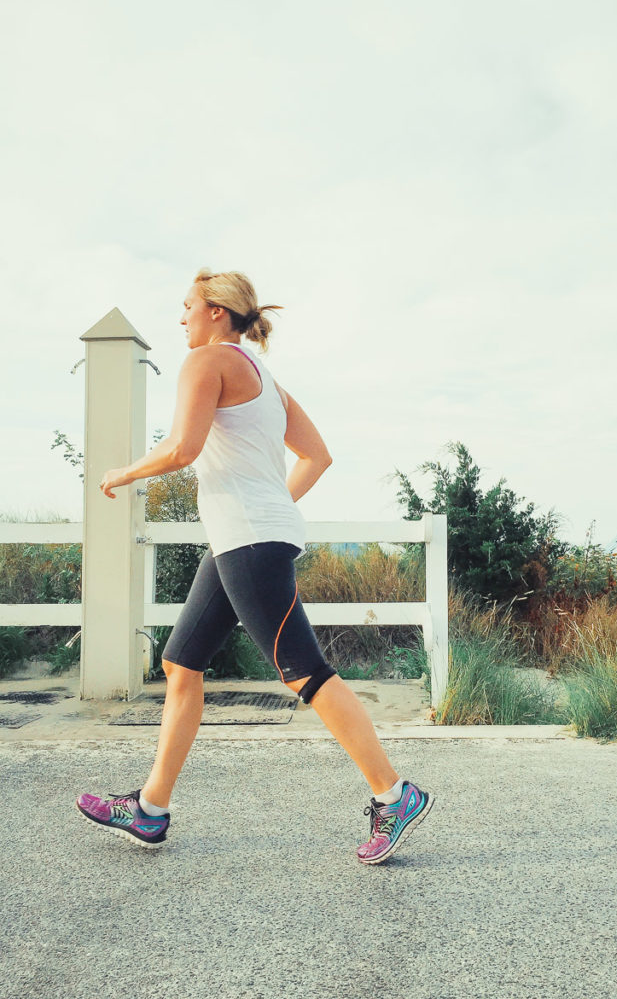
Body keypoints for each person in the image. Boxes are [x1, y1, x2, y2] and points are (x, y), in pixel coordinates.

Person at [75, 267, 434, 864]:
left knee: (303, 673)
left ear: (217, 310)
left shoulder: (207, 362)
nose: (181, 317)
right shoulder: (266, 379)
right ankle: (151, 809)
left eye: (187, 306)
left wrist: (123, 473)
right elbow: (316, 456)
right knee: (180, 663)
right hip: (239, 539)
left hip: (247, 540)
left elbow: (183, 449)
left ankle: (394, 795)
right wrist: (268, 509)